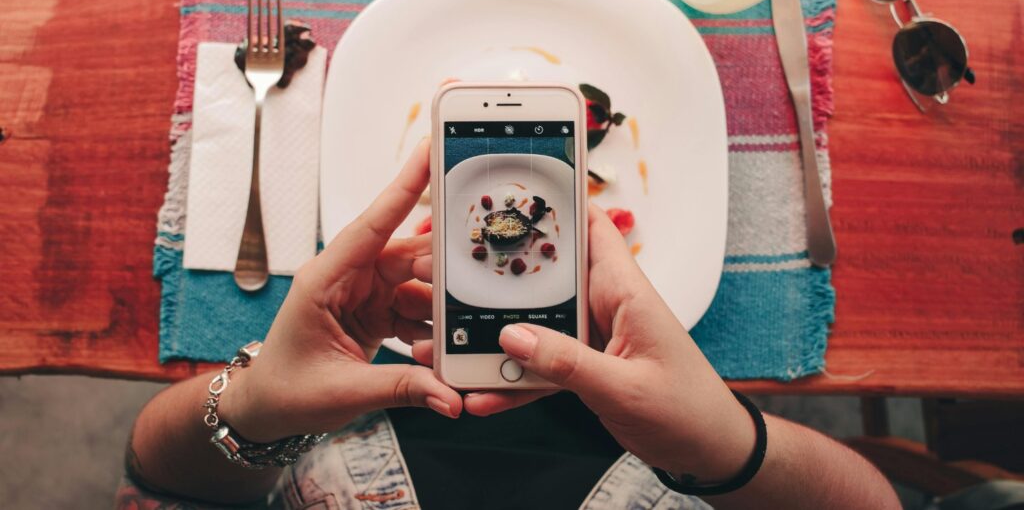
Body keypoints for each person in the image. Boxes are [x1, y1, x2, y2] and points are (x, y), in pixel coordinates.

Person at [117, 140, 900, 509]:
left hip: (352, 404)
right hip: (646, 426)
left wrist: (256, 407)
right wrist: (725, 443)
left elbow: (156, 470)